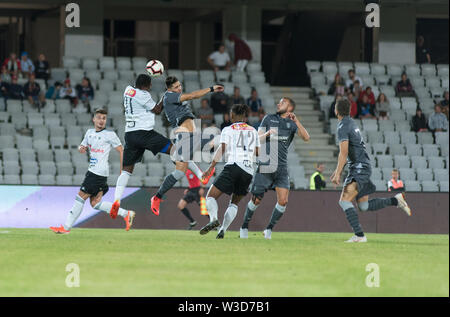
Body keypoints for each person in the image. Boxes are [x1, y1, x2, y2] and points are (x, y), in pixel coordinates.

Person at [109, 74, 208, 218]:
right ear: (147, 86)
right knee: (177, 152)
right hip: (145, 134)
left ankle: (116, 200)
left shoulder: (127, 90)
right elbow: (157, 110)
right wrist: (165, 96)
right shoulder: (144, 95)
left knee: (126, 171)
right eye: (150, 86)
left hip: (130, 135)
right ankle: (200, 175)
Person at [330, 99, 411, 243]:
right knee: (363, 205)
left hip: (359, 168)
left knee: (344, 201)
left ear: (336, 110)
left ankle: (360, 236)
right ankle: (396, 200)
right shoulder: (352, 123)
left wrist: (337, 173)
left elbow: (344, 152)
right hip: (364, 166)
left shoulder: (343, 126)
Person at [49, 108, 136, 234]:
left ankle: (66, 228)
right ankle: (126, 214)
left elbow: (122, 150)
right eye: (99, 118)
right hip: (95, 172)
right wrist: (81, 148)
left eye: (104, 118)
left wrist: (122, 170)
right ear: (94, 119)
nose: (101, 121)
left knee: (80, 197)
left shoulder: (110, 135)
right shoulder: (89, 133)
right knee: (95, 203)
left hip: (97, 173)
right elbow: (82, 146)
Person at [149, 76, 224, 216]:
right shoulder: (170, 97)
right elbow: (193, 95)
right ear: (169, 89)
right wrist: (212, 88)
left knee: (179, 172)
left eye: (179, 86)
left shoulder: (170, 96)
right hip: (185, 137)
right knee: (218, 139)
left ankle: (158, 196)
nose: (179, 88)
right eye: (176, 87)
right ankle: (157, 197)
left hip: (188, 136)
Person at [239, 98, 310, 240]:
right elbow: (257, 139)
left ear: (290, 107)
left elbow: (306, 138)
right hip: (266, 165)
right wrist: (267, 134)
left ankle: (268, 229)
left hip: (282, 168)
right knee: (256, 200)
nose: (278, 104)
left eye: (282, 102)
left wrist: (297, 121)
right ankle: (244, 226)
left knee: (283, 201)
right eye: (278, 102)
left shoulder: (291, 123)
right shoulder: (269, 118)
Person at [199, 104, 260, 238]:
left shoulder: (228, 129)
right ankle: (223, 230)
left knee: (210, 196)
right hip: (248, 171)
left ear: (232, 115)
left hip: (233, 165)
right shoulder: (253, 131)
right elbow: (257, 152)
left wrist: (211, 167)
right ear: (244, 116)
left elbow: (221, 149)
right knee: (234, 203)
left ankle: (213, 219)